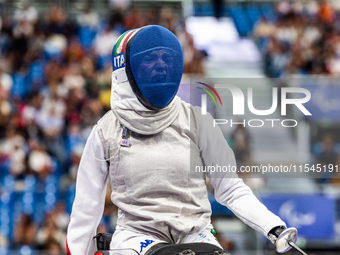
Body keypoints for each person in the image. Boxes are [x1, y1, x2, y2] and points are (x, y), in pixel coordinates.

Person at [66, 25, 298, 255]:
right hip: (136, 238)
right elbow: (87, 206)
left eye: (167, 57)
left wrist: (273, 226)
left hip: (195, 234)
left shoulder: (199, 122)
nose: (161, 65)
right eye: (150, 58)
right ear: (125, 69)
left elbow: (231, 189)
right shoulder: (106, 131)